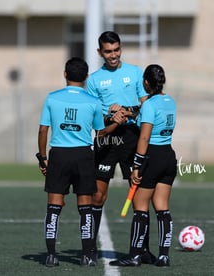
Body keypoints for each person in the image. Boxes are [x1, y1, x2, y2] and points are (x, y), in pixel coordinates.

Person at [37, 57, 125, 267]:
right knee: (85, 207)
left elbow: (43, 130)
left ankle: (51, 255)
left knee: (54, 207)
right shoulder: (92, 101)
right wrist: (116, 122)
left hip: (58, 155)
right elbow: (101, 132)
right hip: (84, 155)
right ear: (86, 77)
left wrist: (42, 158)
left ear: (65, 74)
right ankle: (86, 255)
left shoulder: (52, 98)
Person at [85, 31, 155, 262]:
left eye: (116, 50)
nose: (113, 55)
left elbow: (146, 106)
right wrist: (110, 115)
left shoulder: (135, 72)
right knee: (97, 196)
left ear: (121, 48)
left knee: (139, 195)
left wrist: (127, 110)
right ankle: (90, 249)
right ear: (100, 52)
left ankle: (141, 250)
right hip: (107, 140)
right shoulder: (94, 80)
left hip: (132, 138)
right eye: (108, 51)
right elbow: (94, 117)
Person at [109, 64, 178, 267]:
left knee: (140, 208)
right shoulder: (170, 101)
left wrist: (136, 166)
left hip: (151, 158)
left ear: (146, 83)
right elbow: (150, 118)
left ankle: (135, 255)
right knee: (163, 208)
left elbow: (145, 137)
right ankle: (163, 256)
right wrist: (129, 113)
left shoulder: (149, 105)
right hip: (168, 156)